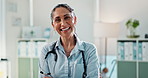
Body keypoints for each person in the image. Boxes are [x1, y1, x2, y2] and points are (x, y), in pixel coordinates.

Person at [39, 3, 99, 78]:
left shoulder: (90, 50)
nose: (63, 24)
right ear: (53, 25)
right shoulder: (46, 51)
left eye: (67, 18)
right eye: (58, 20)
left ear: (75, 20)